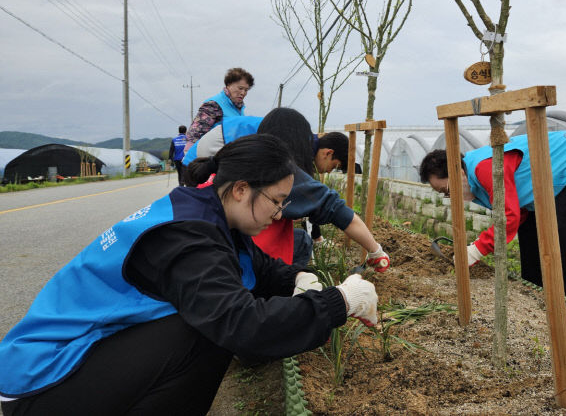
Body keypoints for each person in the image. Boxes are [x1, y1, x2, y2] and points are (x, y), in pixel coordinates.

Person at [0, 135, 378, 416]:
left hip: (77, 361)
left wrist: (299, 278)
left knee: (207, 318)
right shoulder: (187, 237)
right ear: (241, 189)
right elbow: (243, 324)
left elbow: (260, 269)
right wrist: (339, 302)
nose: (280, 215)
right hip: (40, 382)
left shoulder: (208, 212)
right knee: (203, 330)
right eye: (277, 201)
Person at [419, 131, 566, 305]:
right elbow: (518, 214)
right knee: (528, 228)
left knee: (560, 232)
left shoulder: (484, 169)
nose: (449, 196)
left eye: (446, 190)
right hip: (551, 174)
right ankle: (534, 290)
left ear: (458, 173)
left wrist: (476, 250)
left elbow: (508, 217)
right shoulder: (472, 181)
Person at [191, 109, 390, 271]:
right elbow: (339, 212)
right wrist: (376, 252)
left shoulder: (231, 168)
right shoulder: (285, 174)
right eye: (277, 201)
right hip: (249, 268)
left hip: (216, 257)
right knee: (300, 242)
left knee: (300, 238)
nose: (278, 214)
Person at [185, 67, 254, 151]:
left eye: (246, 90)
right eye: (240, 88)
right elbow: (194, 136)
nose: (243, 93)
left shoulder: (239, 108)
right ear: (228, 85)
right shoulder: (214, 105)